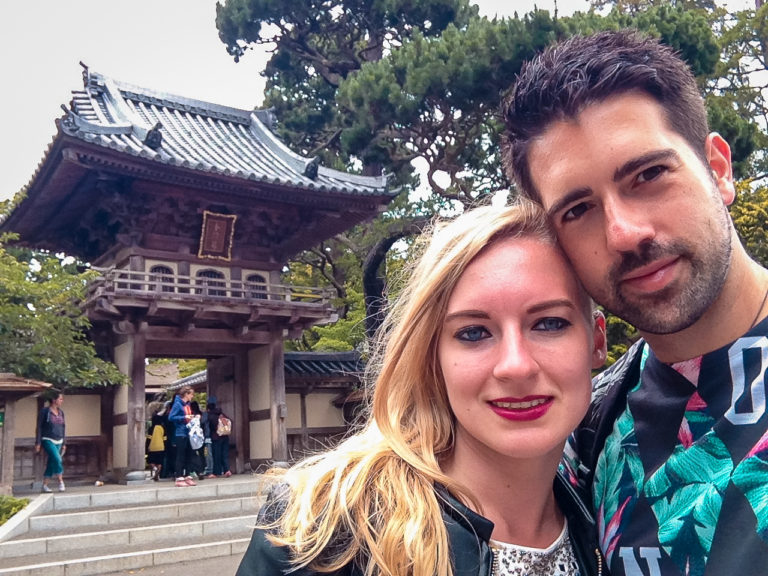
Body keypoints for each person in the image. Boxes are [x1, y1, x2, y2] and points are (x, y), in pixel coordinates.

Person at [502, 29, 768, 576]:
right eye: (578, 209)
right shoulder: (586, 430)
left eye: (649, 175)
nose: (624, 233)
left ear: (719, 168)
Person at [236, 202, 607, 576]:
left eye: (549, 324)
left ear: (597, 342)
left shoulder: (613, 519)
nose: (516, 366)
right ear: (433, 357)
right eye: (473, 332)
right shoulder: (322, 532)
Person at [35, 389, 66, 493]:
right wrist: (38, 442)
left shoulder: (61, 412)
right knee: (57, 459)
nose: (62, 401)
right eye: (60, 399)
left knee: (52, 462)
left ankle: (45, 485)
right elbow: (39, 427)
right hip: (48, 439)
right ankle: (61, 481)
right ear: (54, 400)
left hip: (59, 440)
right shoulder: (45, 411)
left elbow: (63, 427)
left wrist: (64, 442)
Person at [168, 386, 197, 487]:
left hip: (188, 432)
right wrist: (184, 417)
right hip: (180, 432)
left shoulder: (187, 405)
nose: (192, 396)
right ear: (186, 394)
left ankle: (187, 475)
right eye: (191, 394)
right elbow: (171, 417)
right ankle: (179, 477)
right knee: (180, 455)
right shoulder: (177, 404)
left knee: (189, 454)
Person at [207, 397, 232, 478]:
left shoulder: (211, 415)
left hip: (216, 437)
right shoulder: (221, 414)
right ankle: (227, 470)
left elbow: (212, 426)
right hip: (225, 436)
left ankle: (216, 472)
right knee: (225, 454)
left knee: (216, 455)